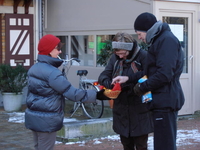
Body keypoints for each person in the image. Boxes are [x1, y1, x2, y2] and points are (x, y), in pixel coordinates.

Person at [113, 12, 185, 150]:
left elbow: (164, 74)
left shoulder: (166, 41)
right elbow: (150, 71)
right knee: (163, 143)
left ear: (148, 30)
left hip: (165, 101)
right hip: (162, 100)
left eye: (140, 34)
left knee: (165, 145)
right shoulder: (160, 40)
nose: (139, 38)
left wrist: (142, 87)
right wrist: (128, 78)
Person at [24, 34, 108, 150]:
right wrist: (98, 95)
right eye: (57, 48)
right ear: (49, 50)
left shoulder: (34, 68)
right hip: (47, 120)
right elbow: (72, 94)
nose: (60, 51)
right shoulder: (52, 73)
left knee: (38, 147)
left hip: (34, 117)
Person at [98, 32, 153, 150]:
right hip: (121, 110)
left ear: (130, 49)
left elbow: (149, 75)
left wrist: (127, 83)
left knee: (141, 145)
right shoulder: (115, 58)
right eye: (118, 54)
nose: (121, 56)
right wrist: (111, 84)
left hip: (139, 109)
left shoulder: (143, 56)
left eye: (123, 53)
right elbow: (103, 75)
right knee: (126, 145)